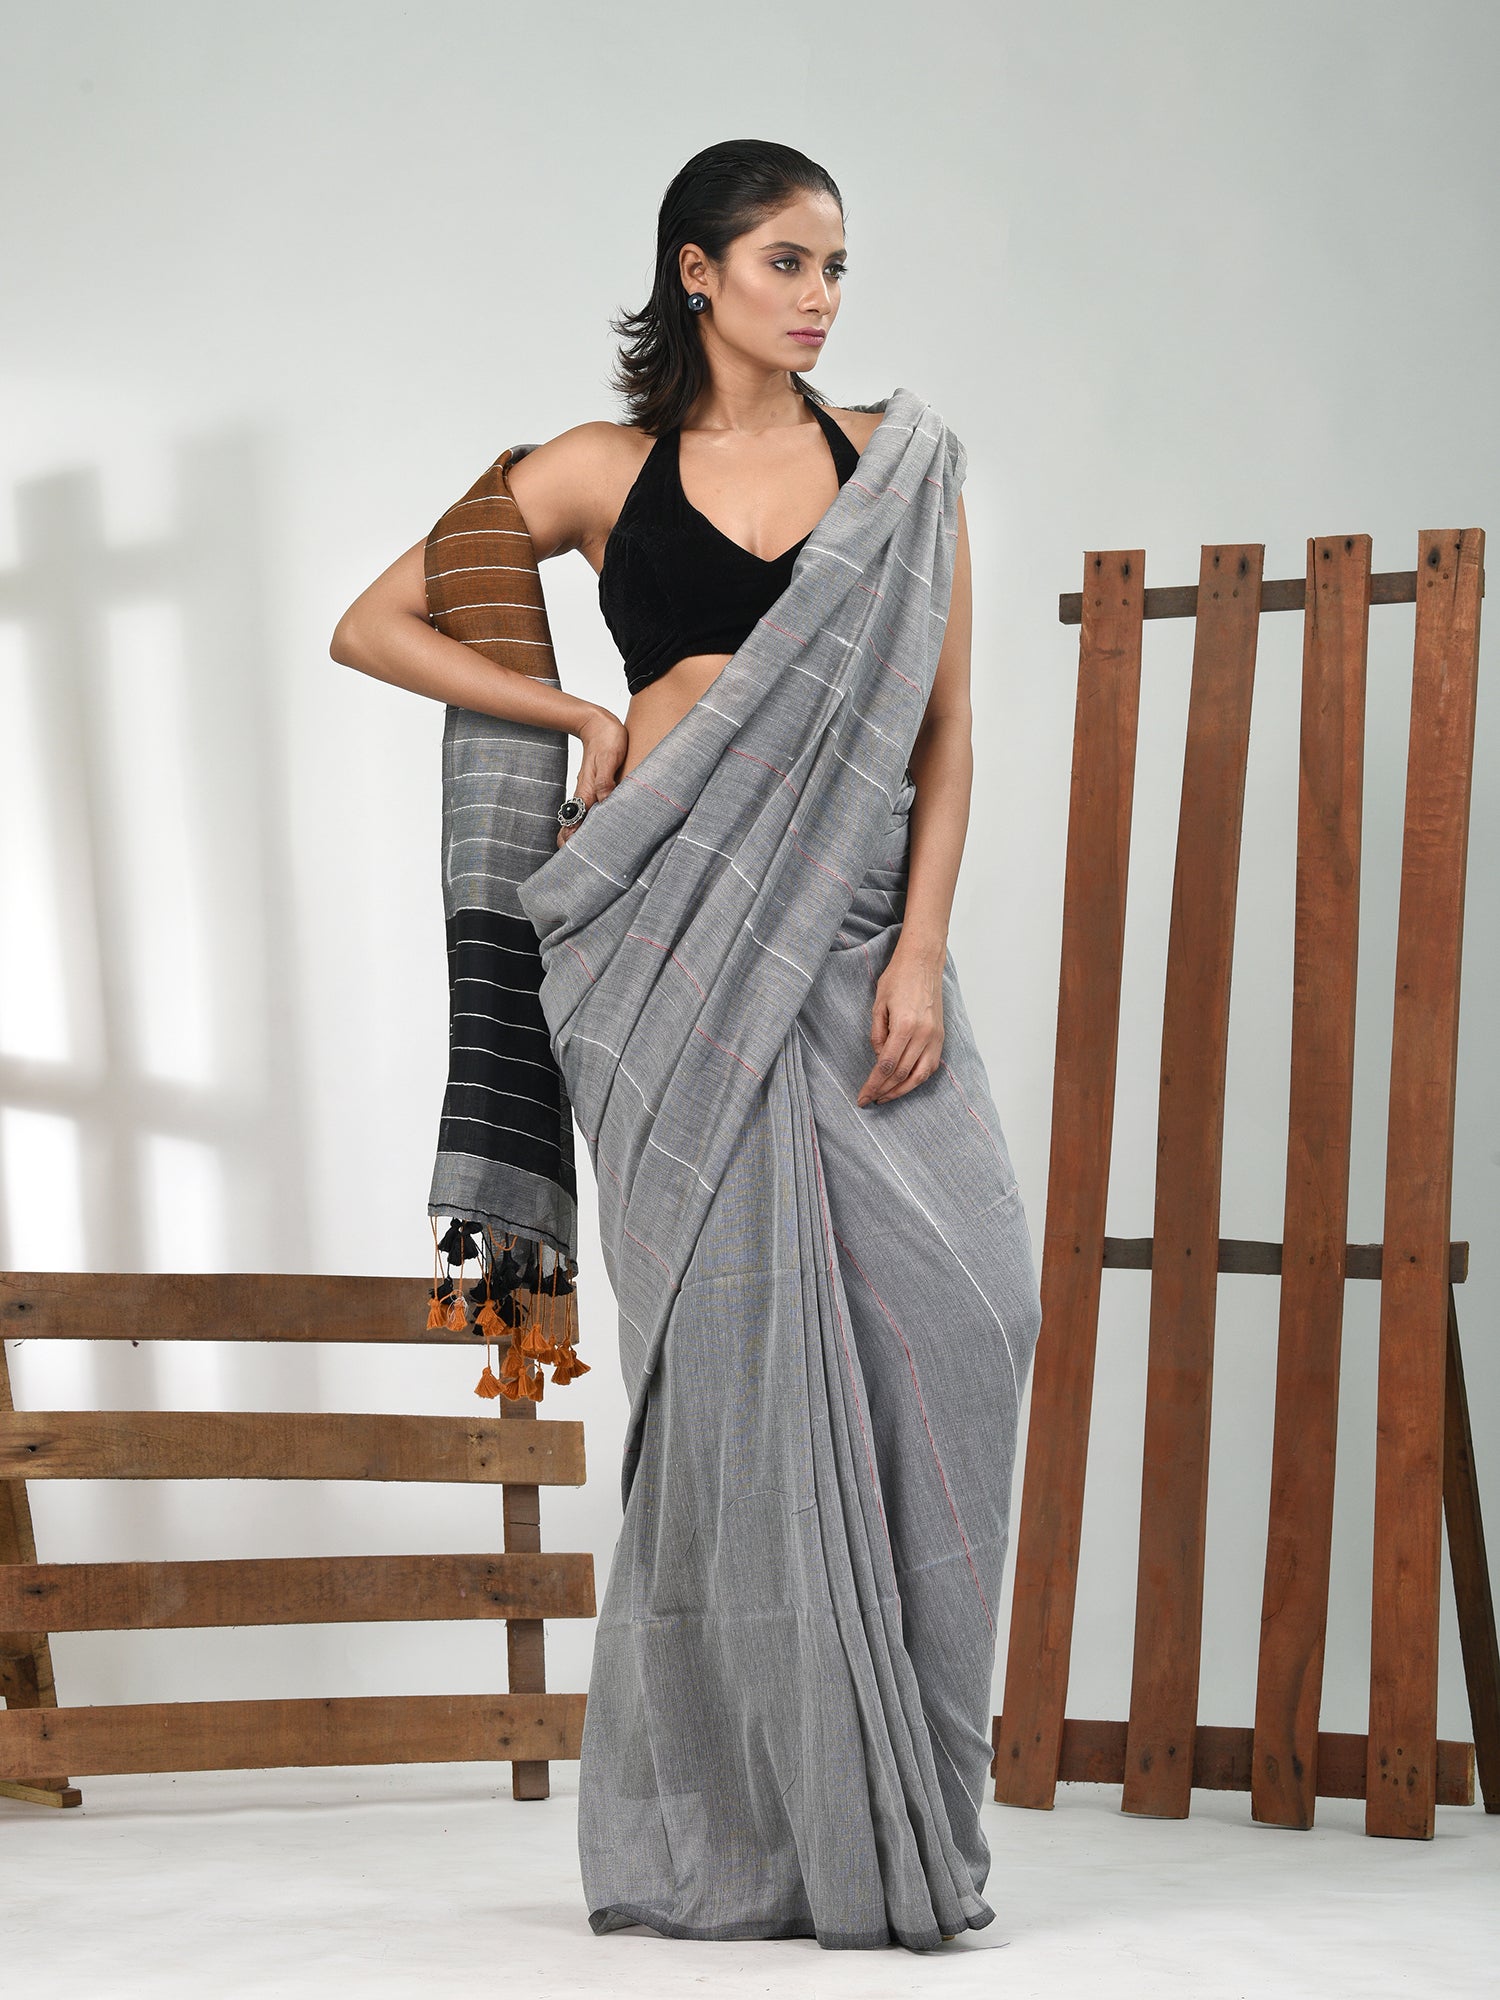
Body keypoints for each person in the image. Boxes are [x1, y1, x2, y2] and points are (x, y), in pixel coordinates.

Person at [332, 138, 1043, 1955]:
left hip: (859, 932)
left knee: (978, 1314)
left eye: (838, 267)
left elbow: (947, 731)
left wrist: (925, 950)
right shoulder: (599, 469)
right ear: (698, 269)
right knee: (725, 1379)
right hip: (655, 951)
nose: (821, 297)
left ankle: (900, 1808)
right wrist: (579, 711)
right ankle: (740, 1836)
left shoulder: (898, 470)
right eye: (788, 261)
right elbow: (374, 622)